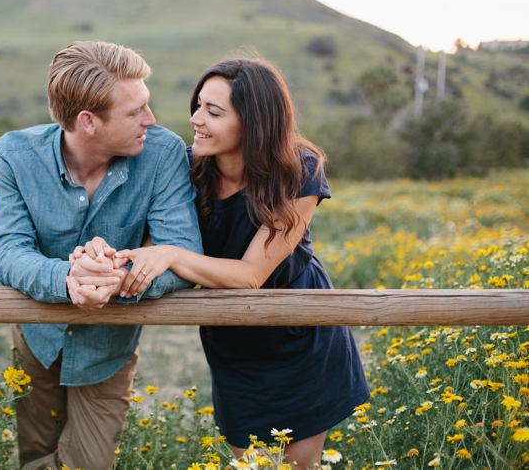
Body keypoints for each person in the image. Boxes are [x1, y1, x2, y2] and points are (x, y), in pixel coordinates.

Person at [80, 58, 369, 469]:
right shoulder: (185, 168)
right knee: (254, 465)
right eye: (198, 105)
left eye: (214, 112)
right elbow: (149, 248)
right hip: (232, 341)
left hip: (302, 337)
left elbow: (251, 275)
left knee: (299, 467)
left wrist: (173, 254)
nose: (196, 119)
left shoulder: (299, 171)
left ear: (255, 123)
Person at [0, 40, 202, 470]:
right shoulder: (12, 156)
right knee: (36, 454)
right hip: (37, 337)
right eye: (135, 111)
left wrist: (113, 277)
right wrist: (68, 279)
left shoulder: (163, 154)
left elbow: (183, 253)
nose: (150, 119)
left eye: (147, 104)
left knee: (87, 463)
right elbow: (8, 251)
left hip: (110, 345)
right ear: (88, 121)